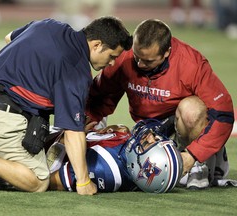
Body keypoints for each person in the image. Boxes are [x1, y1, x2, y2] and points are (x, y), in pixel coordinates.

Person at [0, 16, 132, 195]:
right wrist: (84, 182)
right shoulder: (76, 71)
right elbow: (72, 133)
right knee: (38, 181)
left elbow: (9, 38)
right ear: (97, 45)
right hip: (2, 114)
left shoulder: (50, 25)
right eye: (112, 56)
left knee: (36, 119)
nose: (112, 63)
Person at [86, 19, 234, 189]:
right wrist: (88, 125)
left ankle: (202, 163)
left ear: (166, 52)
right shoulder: (125, 57)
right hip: (148, 127)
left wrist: (194, 154)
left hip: (183, 125)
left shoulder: (191, 63)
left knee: (191, 110)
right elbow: (100, 95)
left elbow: (223, 113)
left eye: (148, 61)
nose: (140, 64)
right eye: (137, 57)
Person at [0, 119, 183, 193]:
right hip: (61, 138)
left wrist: (71, 137)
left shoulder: (105, 169)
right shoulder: (128, 158)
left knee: (40, 179)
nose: (145, 137)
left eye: (148, 143)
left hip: (41, 151)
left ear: (144, 168)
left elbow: (51, 179)